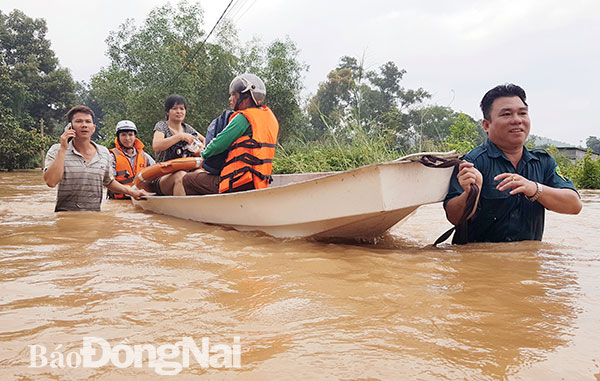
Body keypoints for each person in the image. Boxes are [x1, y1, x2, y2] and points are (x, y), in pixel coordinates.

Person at [443, 84, 582, 243]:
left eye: (523, 113)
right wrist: (471, 193)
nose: (517, 120)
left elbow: (574, 205)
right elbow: (454, 218)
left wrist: (534, 188)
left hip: (527, 263)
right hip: (479, 263)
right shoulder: (472, 163)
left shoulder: (543, 161)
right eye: (507, 114)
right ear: (487, 125)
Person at [182, 73, 279, 195]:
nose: (230, 99)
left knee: (188, 179)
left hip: (239, 182)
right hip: (259, 181)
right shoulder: (270, 118)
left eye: (234, 95)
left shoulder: (244, 118)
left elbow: (219, 144)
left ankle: (202, 213)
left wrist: (203, 153)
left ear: (246, 98)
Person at [43, 105, 147, 212]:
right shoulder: (57, 150)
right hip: (66, 217)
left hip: (95, 217)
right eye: (79, 121)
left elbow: (109, 182)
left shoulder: (103, 152)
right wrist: (63, 149)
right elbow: (51, 182)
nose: (84, 125)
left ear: (93, 128)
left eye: (88, 122)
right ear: (70, 127)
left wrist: (132, 192)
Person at [151, 94, 205, 196]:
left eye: (182, 108)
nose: (179, 111)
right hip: (164, 176)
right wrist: (180, 137)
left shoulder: (188, 128)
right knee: (181, 175)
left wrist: (200, 150)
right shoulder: (161, 126)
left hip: (187, 172)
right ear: (168, 111)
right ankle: (181, 210)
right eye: (174, 108)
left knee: (200, 173)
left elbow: (205, 140)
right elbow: (156, 146)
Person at [108, 120, 156, 199]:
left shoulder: (144, 156)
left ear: (135, 136)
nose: (127, 138)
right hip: (120, 199)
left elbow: (156, 172)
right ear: (118, 137)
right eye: (123, 135)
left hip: (140, 197)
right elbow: (109, 181)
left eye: (130, 135)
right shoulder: (112, 157)